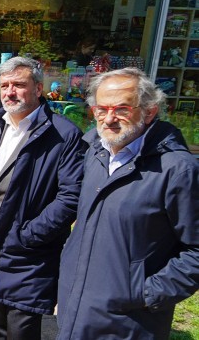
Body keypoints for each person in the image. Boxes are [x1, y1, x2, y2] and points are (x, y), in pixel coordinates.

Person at [57, 68, 199, 339]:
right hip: (77, 306)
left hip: (131, 320)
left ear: (149, 111)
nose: (109, 118)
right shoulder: (95, 152)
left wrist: (147, 293)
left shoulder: (176, 169)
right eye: (101, 109)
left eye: (122, 109)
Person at [0, 56, 84, 339]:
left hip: (29, 257)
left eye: (19, 84)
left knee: (20, 331)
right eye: (5, 85)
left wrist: (29, 234)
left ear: (38, 88)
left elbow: (70, 197)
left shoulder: (63, 135)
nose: (10, 92)